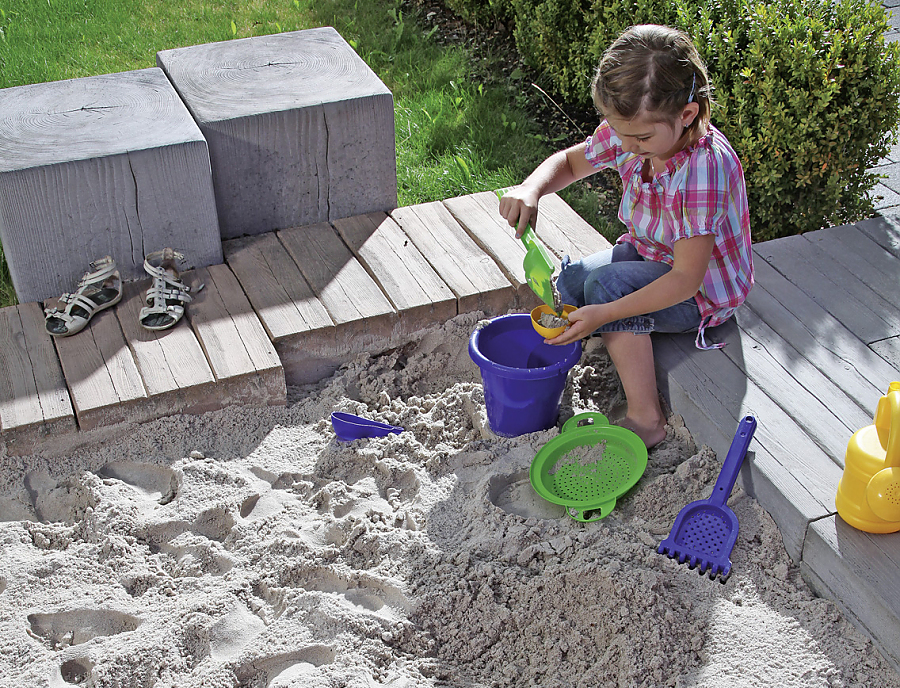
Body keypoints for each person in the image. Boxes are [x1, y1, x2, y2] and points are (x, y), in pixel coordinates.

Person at [498, 24, 754, 449]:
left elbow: (685, 278)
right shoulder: (634, 131)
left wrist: (606, 312)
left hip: (701, 293)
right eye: (620, 134)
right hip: (650, 252)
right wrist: (532, 188)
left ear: (687, 115)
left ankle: (646, 418)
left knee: (604, 289)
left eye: (640, 138)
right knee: (572, 281)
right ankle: (610, 331)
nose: (628, 147)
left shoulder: (701, 170)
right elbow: (570, 162)